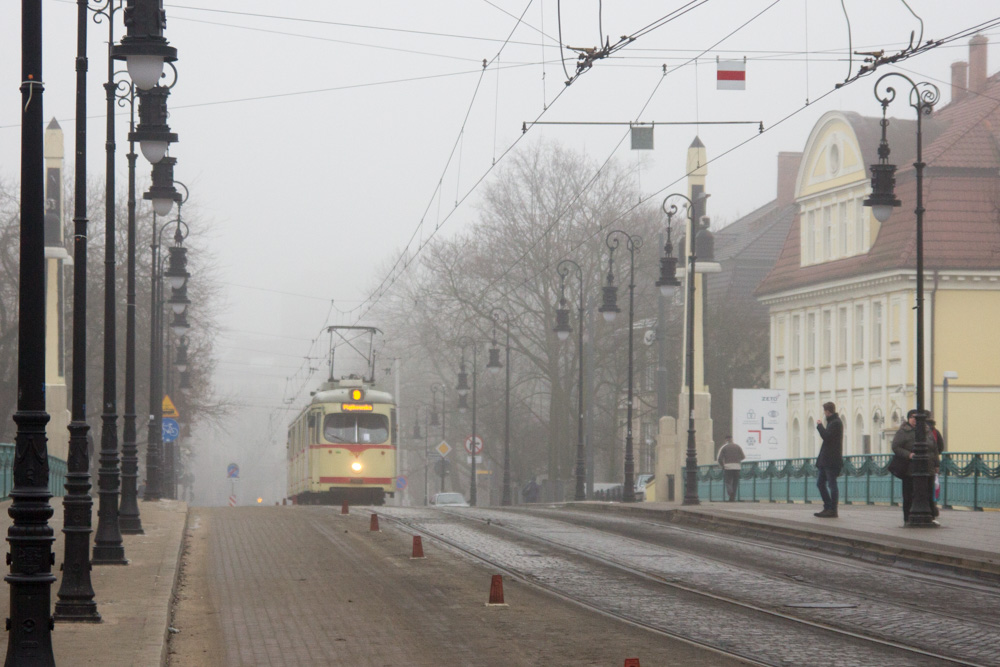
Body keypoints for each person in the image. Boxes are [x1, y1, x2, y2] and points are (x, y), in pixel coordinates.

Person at [892, 409, 941, 525]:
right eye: (913, 417)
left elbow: (934, 449)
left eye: (917, 418)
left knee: (928, 493)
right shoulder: (903, 432)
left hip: (927, 468)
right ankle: (908, 518)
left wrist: (937, 465)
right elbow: (895, 447)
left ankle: (930, 517)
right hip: (910, 468)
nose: (915, 420)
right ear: (909, 419)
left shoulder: (927, 431)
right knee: (909, 494)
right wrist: (908, 455)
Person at [814, 402, 843, 518]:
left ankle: (833, 510)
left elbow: (827, 436)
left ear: (827, 411)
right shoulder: (833, 422)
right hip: (826, 460)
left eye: (824, 411)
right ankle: (828, 507)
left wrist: (820, 426)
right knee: (820, 483)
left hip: (831, 460)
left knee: (832, 484)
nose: (824, 414)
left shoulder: (835, 423)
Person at [716, 436, 745, 502]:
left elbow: (719, 459)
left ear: (726, 440)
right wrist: (737, 460)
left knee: (728, 482)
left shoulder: (724, 447)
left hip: (728, 467)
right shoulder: (738, 447)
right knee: (735, 483)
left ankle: (730, 492)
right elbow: (743, 457)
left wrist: (723, 465)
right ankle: (733, 498)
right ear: (732, 439)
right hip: (737, 467)